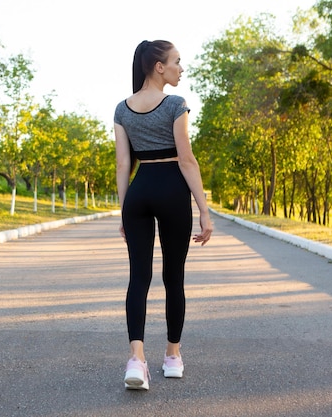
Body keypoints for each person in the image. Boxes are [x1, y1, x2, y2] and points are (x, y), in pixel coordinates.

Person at [114, 40, 213, 391]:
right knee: (174, 277)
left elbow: (124, 164)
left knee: (138, 277)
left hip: (139, 193)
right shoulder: (175, 104)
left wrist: (124, 211)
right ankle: (172, 357)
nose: (180, 68)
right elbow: (186, 160)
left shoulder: (122, 108)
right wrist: (204, 210)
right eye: (176, 62)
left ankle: (136, 360)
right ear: (159, 67)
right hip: (172, 191)